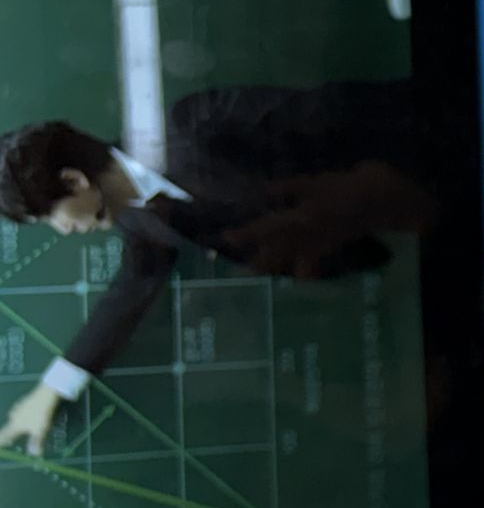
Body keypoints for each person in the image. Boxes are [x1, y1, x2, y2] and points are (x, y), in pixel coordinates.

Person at [0, 83, 437, 456]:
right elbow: (126, 298)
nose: (63, 230)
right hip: (398, 245)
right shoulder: (140, 222)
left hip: (417, 169)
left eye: (51, 216)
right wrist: (52, 388)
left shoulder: (192, 125)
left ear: (74, 181)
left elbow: (325, 111)